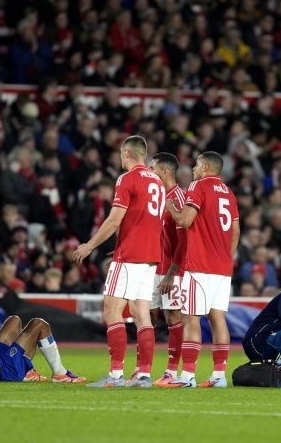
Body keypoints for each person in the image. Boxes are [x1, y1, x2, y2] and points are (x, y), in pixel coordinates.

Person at [72, 135, 164, 388]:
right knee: (141, 313)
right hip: (150, 256)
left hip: (130, 255)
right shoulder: (156, 180)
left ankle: (114, 376)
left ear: (125, 154)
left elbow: (114, 220)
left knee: (112, 311)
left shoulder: (127, 178)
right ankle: (144, 374)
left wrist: (89, 245)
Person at [165, 151, 240, 388]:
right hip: (222, 267)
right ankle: (219, 376)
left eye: (197, 164)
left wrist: (172, 208)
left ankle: (187, 376)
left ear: (206, 167)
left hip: (200, 265)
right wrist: (227, 257)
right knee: (218, 318)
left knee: (191, 318)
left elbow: (185, 221)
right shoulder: (229, 193)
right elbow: (236, 231)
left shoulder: (199, 186)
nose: (194, 168)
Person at [149, 152, 187, 386]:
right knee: (148, 315)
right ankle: (142, 370)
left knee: (173, 316)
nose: (149, 173)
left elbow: (185, 241)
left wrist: (172, 273)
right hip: (153, 266)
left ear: (164, 171)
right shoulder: (158, 196)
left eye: (152, 169)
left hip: (173, 270)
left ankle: (171, 372)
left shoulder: (178, 199)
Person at [0, 315, 85, 382]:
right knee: (39, 324)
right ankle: (60, 373)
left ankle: (27, 372)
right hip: (6, 370)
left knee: (14, 320)